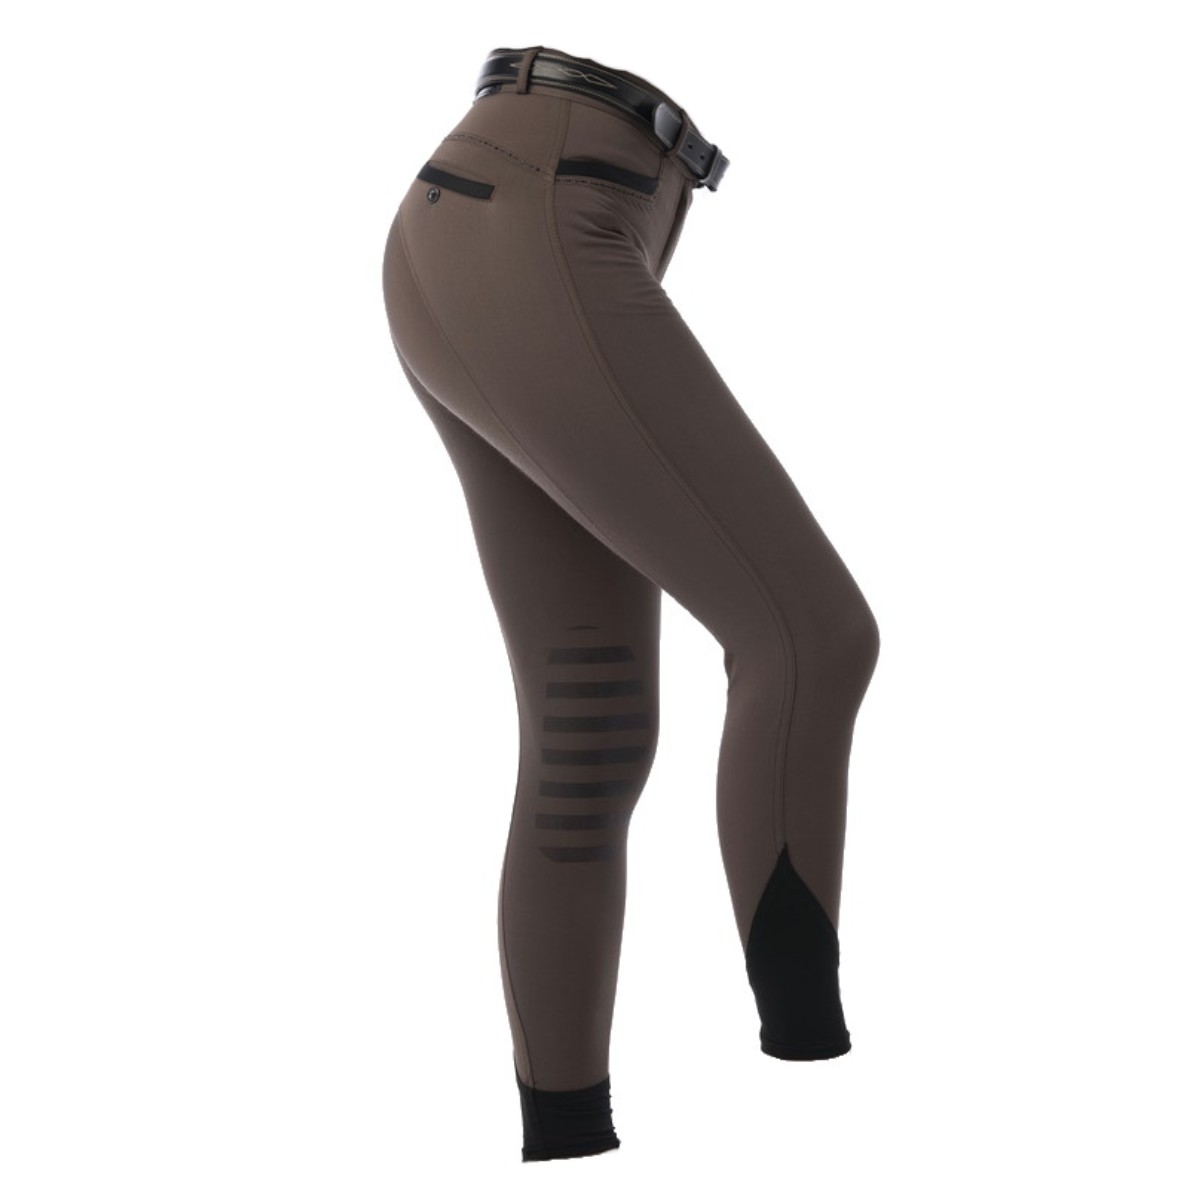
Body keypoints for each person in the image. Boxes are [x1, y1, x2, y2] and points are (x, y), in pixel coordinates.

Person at [380, 45, 881, 1162]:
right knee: (810, 636)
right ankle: (812, 1060)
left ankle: (566, 1135)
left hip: (492, 208)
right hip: (548, 207)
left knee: (588, 740)